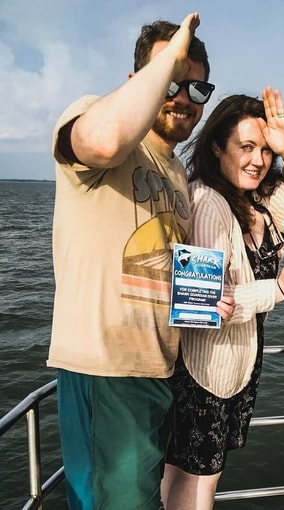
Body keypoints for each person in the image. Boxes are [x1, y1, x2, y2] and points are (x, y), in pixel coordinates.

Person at [48, 14, 233, 510]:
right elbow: (104, 141)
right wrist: (169, 59)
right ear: (139, 82)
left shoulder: (175, 172)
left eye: (197, 88)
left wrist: (208, 301)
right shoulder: (95, 116)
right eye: (171, 80)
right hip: (106, 367)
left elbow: (167, 269)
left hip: (156, 370)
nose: (182, 97)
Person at [160, 88, 284, 510]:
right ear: (217, 147)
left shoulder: (262, 196)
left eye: (264, 149)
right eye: (245, 147)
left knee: (206, 475)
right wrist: (277, 289)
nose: (257, 160)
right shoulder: (206, 202)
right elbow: (201, 307)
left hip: (238, 365)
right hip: (203, 369)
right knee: (192, 481)